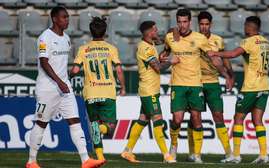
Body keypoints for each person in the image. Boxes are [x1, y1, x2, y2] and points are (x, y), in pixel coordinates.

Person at [26, 6, 103, 168]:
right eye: (64, 17)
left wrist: (65, 80)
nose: (67, 20)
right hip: (47, 88)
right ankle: (31, 161)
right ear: (55, 19)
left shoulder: (67, 38)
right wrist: (59, 82)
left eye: (67, 17)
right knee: (41, 123)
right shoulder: (45, 37)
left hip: (64, 87)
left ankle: (86, 160)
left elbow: (61, 65)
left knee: (75, 121)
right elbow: (44, 62)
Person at [162, 8, 233, 163]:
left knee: (196, 117)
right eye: (179, 22)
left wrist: (227, 75)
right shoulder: (170, 37)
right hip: (178, 84)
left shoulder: (200, 39)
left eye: (185, 21)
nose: (182, 25)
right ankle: (173, 147)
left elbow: (214, 58)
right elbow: (164, 52)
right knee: (177, 119)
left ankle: (199, 155)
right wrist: (164, 59)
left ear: (190, 21)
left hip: (196, 84)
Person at [208, 16, 269, 164]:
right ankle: (263, 154)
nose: (244, 28)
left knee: (238, 118)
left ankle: (236, 155)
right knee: (257, 120)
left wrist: (215, 53)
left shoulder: (248, 41)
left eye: (245, 25)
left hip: (251, 87)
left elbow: (232, 54)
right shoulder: (267, 43)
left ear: (250, 26)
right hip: (264, 86)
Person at [120, 21, 179, 163]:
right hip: (149, 91)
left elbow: (160, 41)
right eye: (155, 29)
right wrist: (171, 61)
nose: (157, 31)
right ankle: (166, 155)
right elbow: (158, 68)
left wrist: (171, 33)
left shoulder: (150, 43)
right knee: (158, 121)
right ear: (149, 32)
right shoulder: (145, 48)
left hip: (150, 89)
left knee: (142, 120)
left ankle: (127, 151)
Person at [70, 16, 126, 164]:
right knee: (111, 127)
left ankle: (100, 157)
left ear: (90, 32)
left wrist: (69, 74)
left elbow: (75, 70)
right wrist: (123, 88)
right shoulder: (111, 48)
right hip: (108, 92)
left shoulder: (83, 49)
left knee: (94, 124)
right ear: (105, 32)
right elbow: (119, 70)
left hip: (90, 93)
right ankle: (100, 132)